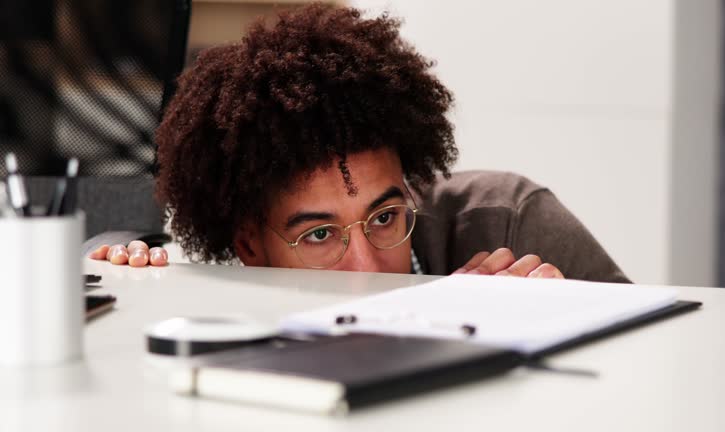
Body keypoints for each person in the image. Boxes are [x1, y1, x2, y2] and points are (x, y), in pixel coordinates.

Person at [90, 4, 629, 283]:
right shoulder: (222, 294)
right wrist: (137, 299)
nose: (368, 267)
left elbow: (657, 379)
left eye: (386, 217)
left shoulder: (510, 219)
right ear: (251, 246)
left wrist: (567, 324)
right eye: (321, 234)